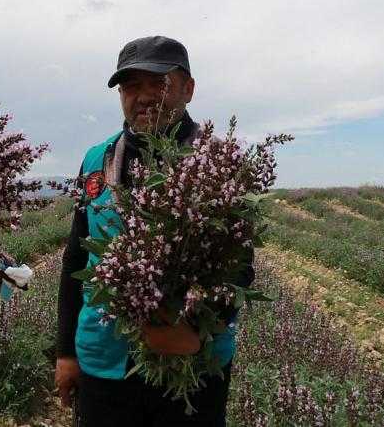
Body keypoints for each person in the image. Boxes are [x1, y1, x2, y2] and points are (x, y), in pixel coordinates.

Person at [54, 36, 255, 426]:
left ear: (188, 89)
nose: (145, 96)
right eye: (132, 86)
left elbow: (240, 267)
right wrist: (65, 352)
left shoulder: (220, 164)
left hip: (193, 364)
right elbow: (77, 257)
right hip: (104, 360)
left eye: (159, 83)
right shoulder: (98, 159)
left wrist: (193, 331)